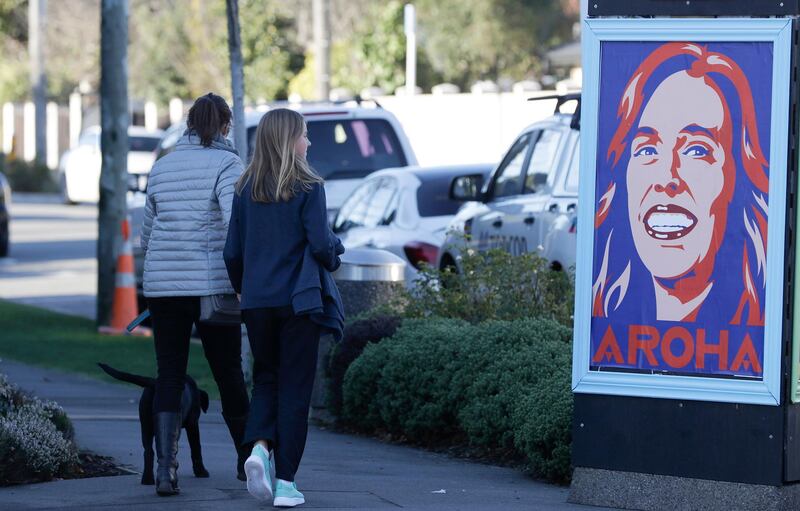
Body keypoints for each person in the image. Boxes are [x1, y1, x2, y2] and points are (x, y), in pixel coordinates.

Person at [593, 42, 769, 326]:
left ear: (736, 181)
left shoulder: (757, 328)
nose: (666, 178)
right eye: (647, 150)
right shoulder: (607, 321)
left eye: (696, 151)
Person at [224, 108, 344, 508]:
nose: (308, 143)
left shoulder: (245, 188)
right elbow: (322, 244)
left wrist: (243, 289)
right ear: (289, 140)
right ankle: (287, 483)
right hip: (298, 302)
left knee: (266, 379)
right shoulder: (309, 186)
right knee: (295, 390)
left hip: (256, 303)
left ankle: (258, 449)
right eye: (304, 135)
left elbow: (231, 252)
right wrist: (334, 258)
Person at [141, 93, 250, 496]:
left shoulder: (162, 166)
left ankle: (167, 471)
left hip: (164, 287)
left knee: (169, 373)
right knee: (228, 373)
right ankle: (247, 460)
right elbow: (233, 220)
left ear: (188, 125)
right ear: (225, 126)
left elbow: (147, 232)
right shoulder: (228, 163)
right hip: (213, 288)